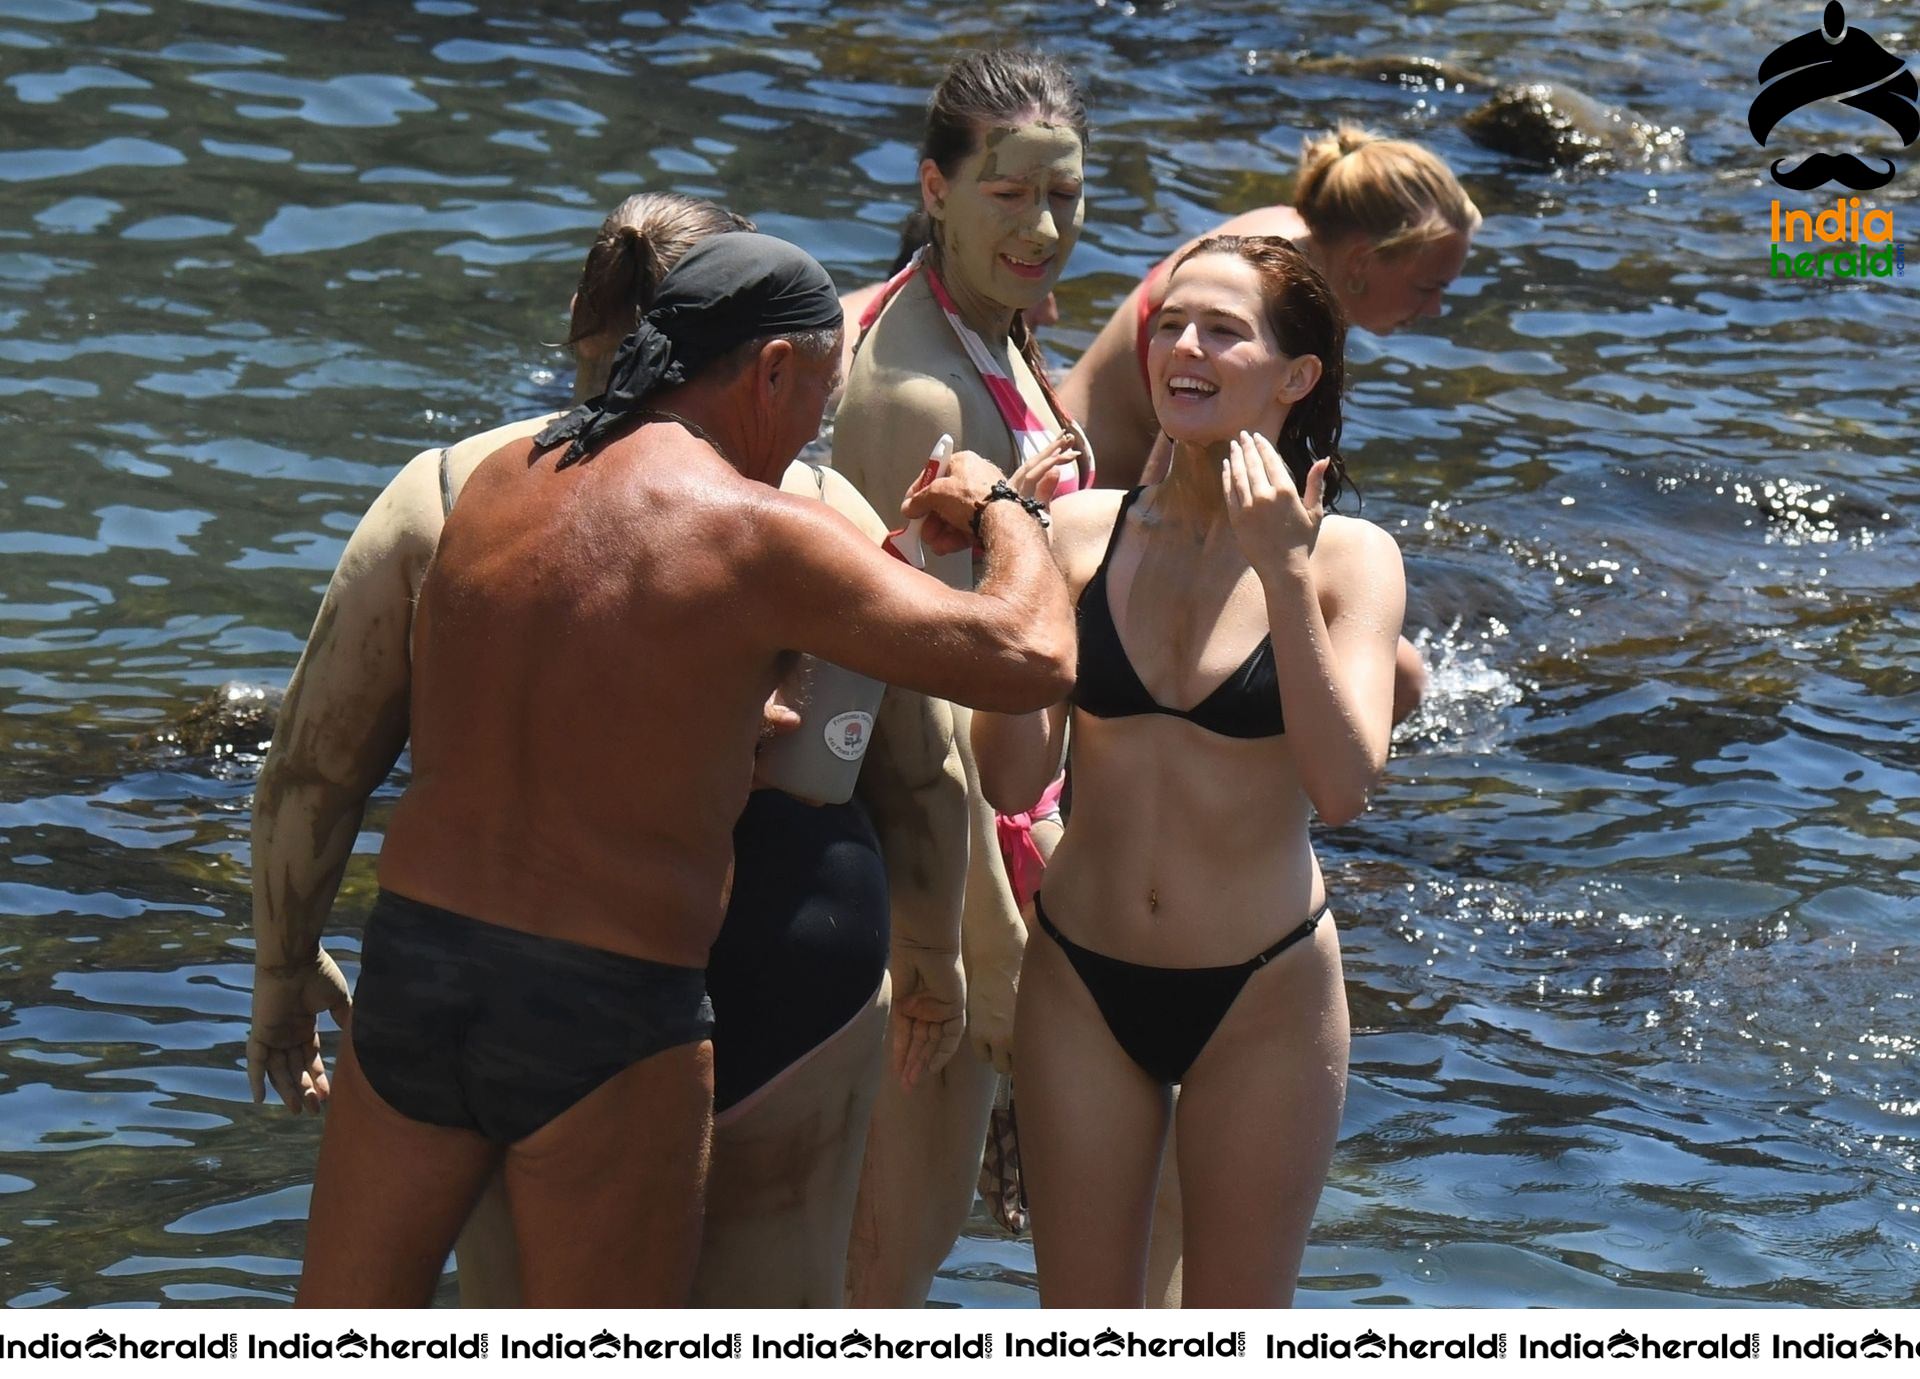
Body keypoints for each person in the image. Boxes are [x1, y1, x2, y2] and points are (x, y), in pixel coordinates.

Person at [266, 227, 1072, 1307]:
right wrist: (1000, 509)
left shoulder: (489, 484)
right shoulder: (751, 530)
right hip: (606, 1006)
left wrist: (283, 960)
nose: (807, 442)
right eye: (817, 404)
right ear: (773, 368)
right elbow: (1028, 656)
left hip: (419, 974)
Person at [974, 234, 1405, 1307]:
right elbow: (1010, 776)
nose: (1184, 346)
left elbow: (1345, 787)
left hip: (1264, 988)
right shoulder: (1076, 533)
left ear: (1295, 375)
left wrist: (1283, 570)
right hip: (1081, 974)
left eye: (1224, 329)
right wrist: (1002, 573)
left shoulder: (1352, 559)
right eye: (1169, 323)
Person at [830, 47, 1091, 1307]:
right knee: (891, 1242)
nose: (1043, 229)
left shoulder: (997, 331)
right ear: (934, 189)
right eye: (1010, 196)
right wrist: (983, 946)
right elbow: (910, 688)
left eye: (1066, 197)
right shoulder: (916, 386)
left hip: (1000, 834)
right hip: (925, 868)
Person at [1060, 126, 1477, 726]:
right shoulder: (1267, 279)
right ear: (1361, 262)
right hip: (1095, 499)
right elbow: (1175, 449)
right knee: (1402, 677)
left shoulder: (1293, 245)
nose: (1437, 307)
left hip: (1136, 493)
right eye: (1428, 285)